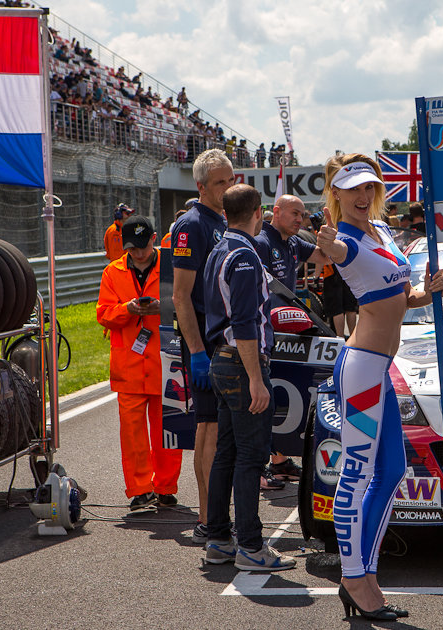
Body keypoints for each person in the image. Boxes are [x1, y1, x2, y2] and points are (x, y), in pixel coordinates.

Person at [315, 154, 443, 620]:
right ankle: (353, 578)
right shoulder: (344, 238)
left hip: (383, 366)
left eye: (368, 186)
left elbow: (400, 297)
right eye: (351, 188)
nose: (362, 195)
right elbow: (331, 251)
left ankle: (366, 572)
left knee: (391, 471)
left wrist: (428, 292)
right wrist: (325, 243)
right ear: (336, 194)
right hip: (362, 368)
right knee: (355, 473)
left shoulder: (383, 231)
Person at [199, 184, 297, 572]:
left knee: (227, 453)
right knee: (251, 456)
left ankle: (219, 540)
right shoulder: (244, 255)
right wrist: (257, 379)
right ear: (258, 213)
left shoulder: (220, 249)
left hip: (222, 361)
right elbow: (244, 324)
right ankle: (252, 547)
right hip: (241, 363)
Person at [97, 216, 182, 511]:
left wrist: (164, 309)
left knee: (166, 432)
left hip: (165, 362)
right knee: (133, 435)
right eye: (132, 250)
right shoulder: (113, 271)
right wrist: (128, 309)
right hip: (129, 364)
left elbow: (189, 307)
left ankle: (166, 487)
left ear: (155, 238)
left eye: (143, 248)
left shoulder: (172, 268)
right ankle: (139, 489)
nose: (139, 254)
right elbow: (103, 314)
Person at [170, 149, 232, 544]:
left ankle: (221, 519)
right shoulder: (191, 226)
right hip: (206, 349)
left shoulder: (223, 221)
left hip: (228, 344)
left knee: (225, 435)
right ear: (201, 186)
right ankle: (209, 523)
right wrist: (196, 352)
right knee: (207, 434)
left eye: (230, 180)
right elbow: (180, 296)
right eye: (220, 183)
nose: (227, 188)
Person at [254, 194, 331, 486]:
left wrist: (329, 232)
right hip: (264, 330)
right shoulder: (262, 241)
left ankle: (280, 460)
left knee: (280, 396)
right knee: (263, 399)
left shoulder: (294, 241)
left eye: (302, 214)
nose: (300, 219)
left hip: (285, 327)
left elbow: (324, 258)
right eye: (294, 213)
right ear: (276, 212)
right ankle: (260, 466)